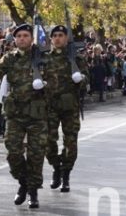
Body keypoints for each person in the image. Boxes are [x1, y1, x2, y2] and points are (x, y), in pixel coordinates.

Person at [0, 23, 47, 208]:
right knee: (13, 152)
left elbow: (57, 79)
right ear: (15, 39)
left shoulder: (42, 57)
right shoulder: (10, 58)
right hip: (15, 112)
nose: (22, 39)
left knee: (36, 154)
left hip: (37, 113)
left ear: (31, 38)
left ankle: (33, 192)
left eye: (25, 35)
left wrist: (45, 83)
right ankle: (23, 183)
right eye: (19, 36)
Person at [43, 25, 87, 194]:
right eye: (54, 36)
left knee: (71, 143)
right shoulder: (45, 59)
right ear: (51, 39)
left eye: (61, 35)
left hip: (70, 107)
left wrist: (80, 79)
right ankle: (56, 167)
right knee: (48, 142)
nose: (57, 38)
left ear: (66, 38)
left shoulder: (75, 58)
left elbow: (86, 79)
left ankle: (66, 174)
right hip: (50, 106)